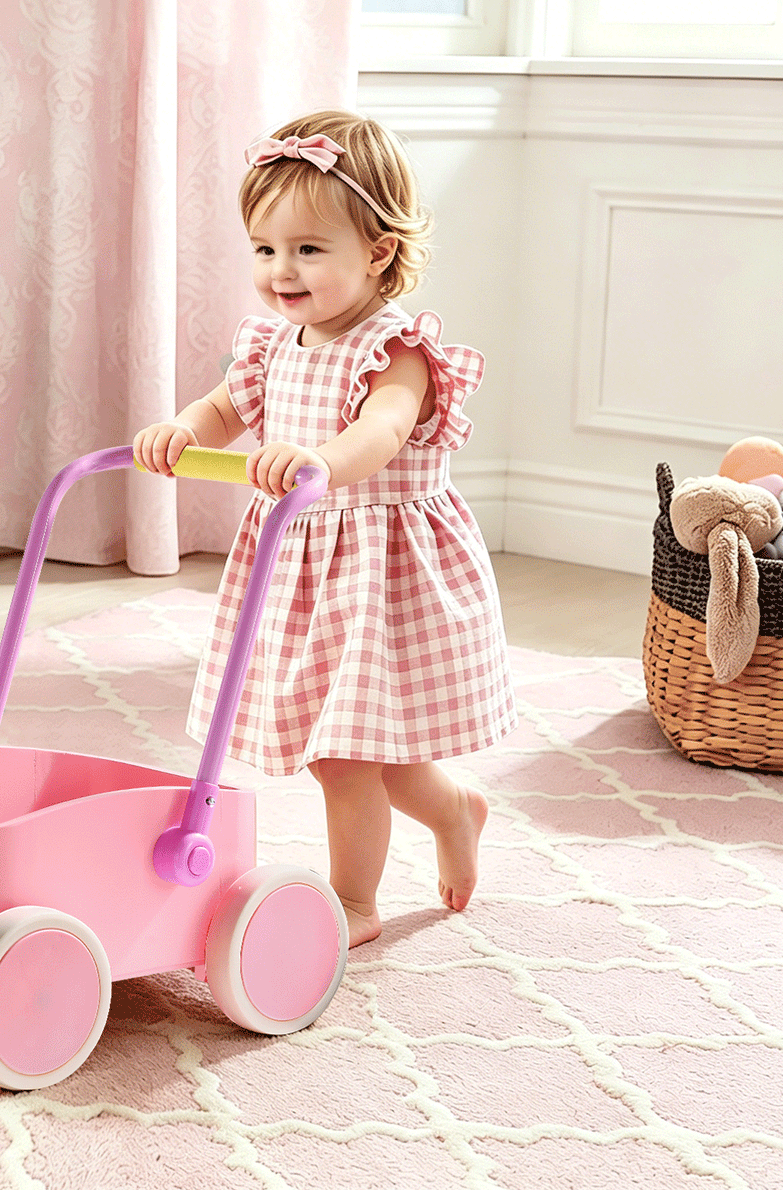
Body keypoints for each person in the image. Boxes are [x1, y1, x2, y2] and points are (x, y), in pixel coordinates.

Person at [133, 109, 516, 947]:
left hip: (384, 571)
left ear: (378, 251)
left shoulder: (400, 348)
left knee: (347, 756)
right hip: (304, 567)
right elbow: (226, 406)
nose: (282, 270)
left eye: (308, 249)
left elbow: (382, 431)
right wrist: (183, 431)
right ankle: (455, 810)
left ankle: (355, 902)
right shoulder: (273, 343)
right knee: (338, 742)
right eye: (266, 249)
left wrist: (319, 461)